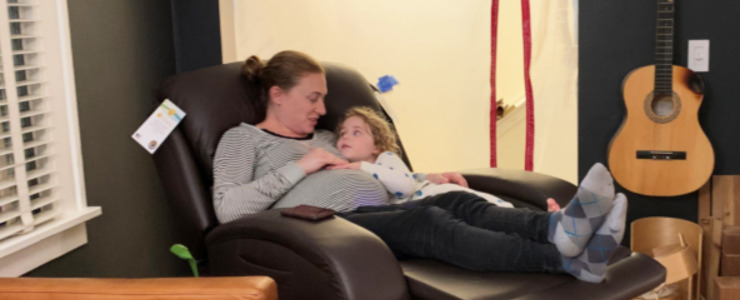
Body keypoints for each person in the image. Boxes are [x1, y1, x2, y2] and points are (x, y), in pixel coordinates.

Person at [212, 50, 627, 282]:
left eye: (324, 98)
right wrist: (303, 165)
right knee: (428, 221)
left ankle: (559, 231)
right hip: (320, 233)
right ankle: (564, 261)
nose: (323, 109)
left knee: (457, 202)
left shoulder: (326, 138)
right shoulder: (242, 139)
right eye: (312, 98)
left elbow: (383, 169)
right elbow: (228, 210)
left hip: (371, 215)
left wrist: (428, 177)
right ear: (278, 95)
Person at [332, 106, 514, 207]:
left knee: (491, 209)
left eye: (356, 133)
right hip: (429, 209)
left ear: (377, 145)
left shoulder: (385, 158)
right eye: (342, 133)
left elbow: (405, 185)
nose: (346, 136)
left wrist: (363, 167)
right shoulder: (352, 172)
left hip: (436, 193)